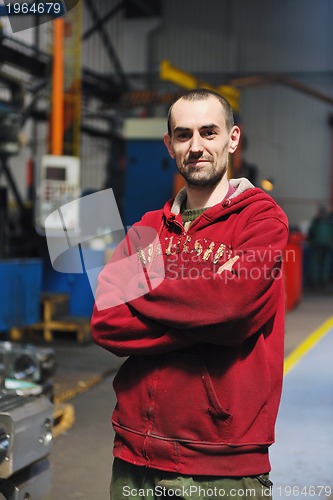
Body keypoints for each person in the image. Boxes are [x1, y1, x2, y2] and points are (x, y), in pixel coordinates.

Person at [91, 88, 289, 499]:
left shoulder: (262, 220)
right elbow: (106, 320)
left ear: (232, 138)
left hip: (221, 460)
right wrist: (207, 308)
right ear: (169, 144)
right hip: (134, 453)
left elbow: (232, 308)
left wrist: (143, 284)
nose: (195, 146)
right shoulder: (148, 226)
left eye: (209, 132)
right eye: (183, 135)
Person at [307, 205, 333, 290]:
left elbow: (311, 232)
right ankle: (323, 282)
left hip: (316, 244)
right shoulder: (329, 220)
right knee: (326, 263)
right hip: (327, 245)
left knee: (315, 263)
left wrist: (310, 240)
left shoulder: (316, 220)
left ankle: (315, 282)